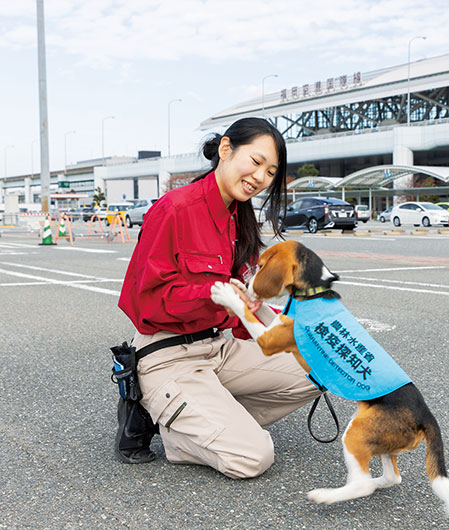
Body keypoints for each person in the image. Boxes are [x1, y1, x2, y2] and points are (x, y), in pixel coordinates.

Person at [116, 117, 321, 478]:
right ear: (226, 150)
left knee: (321, 366)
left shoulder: (238, 217)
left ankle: (209, 417)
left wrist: (264, 317)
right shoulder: (175, 209)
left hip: (219, 349)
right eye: (256, 162)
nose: (260, 177)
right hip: (169, 355)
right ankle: (173, 427)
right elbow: (146, 304)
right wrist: (217, 296)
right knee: (252, 458)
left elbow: (242, 304)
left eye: (270, 172)